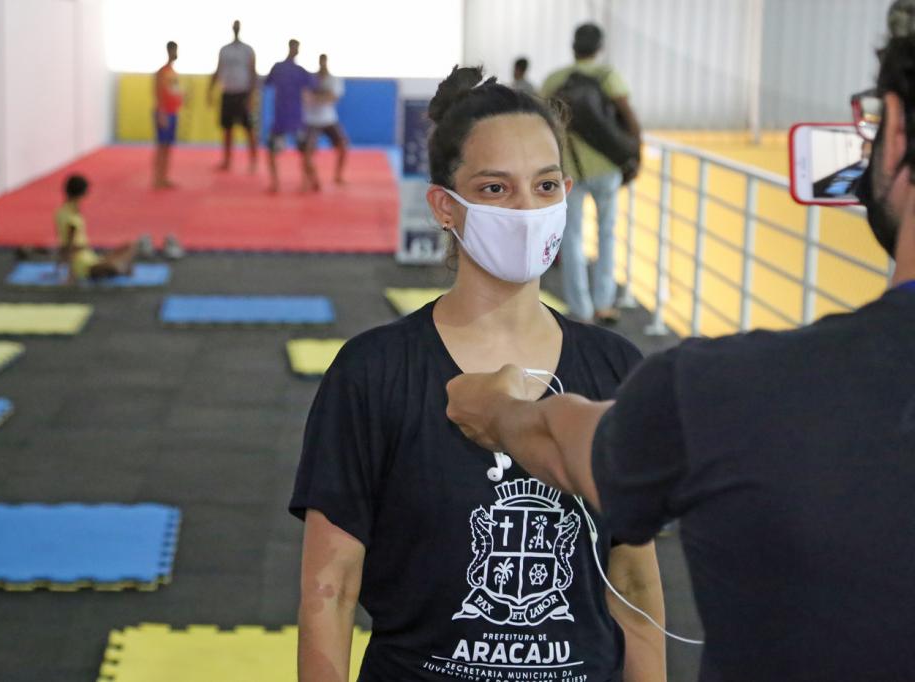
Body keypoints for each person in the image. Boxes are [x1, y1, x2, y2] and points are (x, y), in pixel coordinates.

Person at [445, 3, 915, 679]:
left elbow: (562, 440)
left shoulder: (726, 394)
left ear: (893, 132)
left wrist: (496, 409)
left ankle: (588, 296)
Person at [291, 66, 666, 682]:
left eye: (545, 185)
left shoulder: (616, 369)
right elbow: (329, 589)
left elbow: (634, 583)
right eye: (495, 188)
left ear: (567, 192)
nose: (526, 209)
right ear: (445, 206)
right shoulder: (373, 373)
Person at [542, 23, 641, 325]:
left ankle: (581, 310)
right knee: (606, 233)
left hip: (568, 171)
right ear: (599, 48)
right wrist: (634, 155)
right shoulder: (608, 77)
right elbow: (629, 118)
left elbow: (543, 123)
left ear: (573, 47)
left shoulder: (555, 80)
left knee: (571, 238)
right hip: (606, 169)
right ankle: (604, 304)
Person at [55, 174, 136, 283]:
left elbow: (62, 243)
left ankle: (117, 267)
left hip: (89, 256)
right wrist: (70, 274)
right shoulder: (71, 217)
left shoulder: (62, 211)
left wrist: (59, 265)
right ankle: (119, 269)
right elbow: (69, 246)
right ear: (83, 193)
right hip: (82, 264)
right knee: (113, 267)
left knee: (129, 246)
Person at [264, 39, 314, 193]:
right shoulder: (280, 68)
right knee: (273, 151)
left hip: (294, 117)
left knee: (304, 152)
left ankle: (306, 182)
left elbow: (310, 90)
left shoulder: (298, 71)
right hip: (283, 118)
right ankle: (276, 183)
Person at [209, 20, 258, 172]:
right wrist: (210, 90)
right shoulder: (224, 50)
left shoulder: (248, 50)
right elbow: (218, 70)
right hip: (228, 93)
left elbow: (253, 73)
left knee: (249, 129)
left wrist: (252, 96)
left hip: (243, 93)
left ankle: (253, 161)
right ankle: (227, 160)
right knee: (227, 129)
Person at [301, 53, 349, 190]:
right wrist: (322, 97)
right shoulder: (310, 78)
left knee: (343, 145)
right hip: (311, 120)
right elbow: (305, 96)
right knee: (307, 152)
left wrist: (316, 98)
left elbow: (332, 97)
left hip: (329, 119)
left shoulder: (333, 79)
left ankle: (338, 175)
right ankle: (312, 180)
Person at [154, 41, 183, 189]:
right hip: (164, 113)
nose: (175, 53)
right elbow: (158, 92)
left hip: (173, 112)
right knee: (162, 146)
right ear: (169, 51)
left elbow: (174, 91)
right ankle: (157, 178)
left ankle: (164, 176)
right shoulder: (162, 72)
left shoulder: (173, 72)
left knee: (168, 147)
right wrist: (161, 112)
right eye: (173, 50)